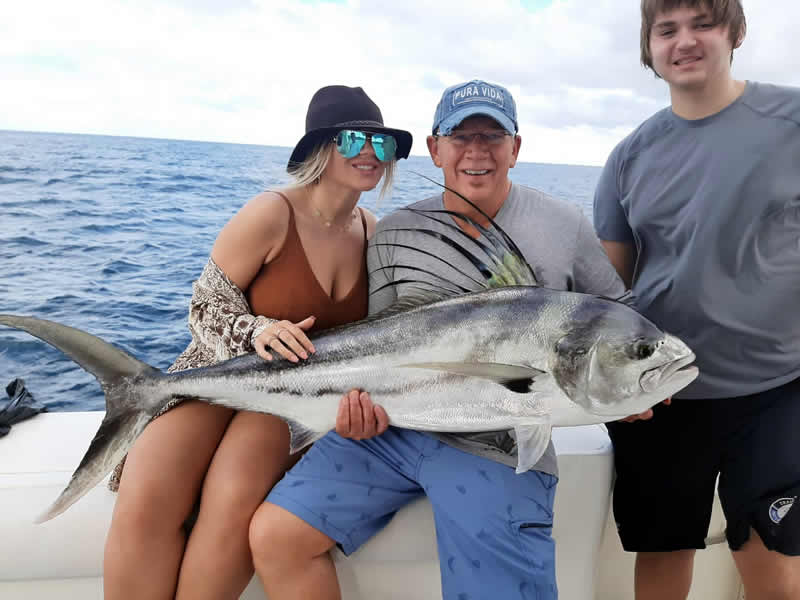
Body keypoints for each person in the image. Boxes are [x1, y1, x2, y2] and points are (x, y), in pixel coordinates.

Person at [248, 79, 625, 600]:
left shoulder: (564, 224)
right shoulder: (395, 232)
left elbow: (617, 311)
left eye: (492, 137)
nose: (476, 151)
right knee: (276, 537)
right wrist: (360, 409)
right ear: (434, 148)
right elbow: (380, 346)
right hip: (394, 432)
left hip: (502, 443)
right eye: (460, 136)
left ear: (516, 149)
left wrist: (627, 383)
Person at [102, 85, 412, 600]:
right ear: (320, 147)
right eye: (356, 138)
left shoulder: (374, 234)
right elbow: (203, 309)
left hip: (289, 395)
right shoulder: (270, 213)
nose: (370, 153)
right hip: (211, 375)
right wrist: (258, 330)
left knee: (231, 504)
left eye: (382, 145)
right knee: (147, 496)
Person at [593, 1, 800, 598]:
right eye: (667, 29)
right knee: (662, 553)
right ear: (649, 48)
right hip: (658, 395)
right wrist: (612, 387)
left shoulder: (790, 121)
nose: (685, 41)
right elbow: (611, 293)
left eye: (703, 23)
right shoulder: (629, 157)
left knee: (772, 556)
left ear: (734, 33)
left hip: (776, 390)